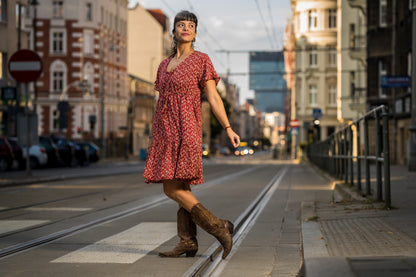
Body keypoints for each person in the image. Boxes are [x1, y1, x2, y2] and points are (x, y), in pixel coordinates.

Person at [143, 10, 240, 259]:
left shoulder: (201, 60)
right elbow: (161, 100)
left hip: (186, 129)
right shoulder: (164, 65)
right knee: (181, 186)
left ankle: (219, 227)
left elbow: (213, 97)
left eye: (190, 25)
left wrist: (228, 127)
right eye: (181, 24)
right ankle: (188, 241)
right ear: (174, 31)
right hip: (165, 131)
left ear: (195, 33)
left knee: (171, 188)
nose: (186, 28)